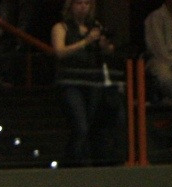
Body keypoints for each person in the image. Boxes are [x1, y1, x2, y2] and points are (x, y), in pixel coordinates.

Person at [51, 0, 121, 167]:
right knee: (80, 126)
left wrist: (104, 45)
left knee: (90, 127)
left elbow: (110, 50)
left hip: (92, 82)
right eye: (79, 3)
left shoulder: (95, 26)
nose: (83, 7)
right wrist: (86, 41)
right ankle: (70, 164)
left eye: (86, 4)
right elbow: (59, 51)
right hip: (71, 82)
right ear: (71, 6)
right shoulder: (61, 27)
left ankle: (84, 162)